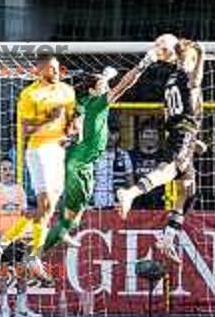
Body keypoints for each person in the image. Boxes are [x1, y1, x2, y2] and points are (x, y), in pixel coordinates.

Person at [42, 60, 154, 253]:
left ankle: (55, 237)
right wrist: (143, 65)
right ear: (94, 91)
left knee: (73, 216)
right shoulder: (98, 104)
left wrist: (105, 76)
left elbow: (94, 91)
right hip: (81, 164)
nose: (105, 88)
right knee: (71, 216)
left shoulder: (81, 102)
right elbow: (124, 85)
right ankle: (36, 253)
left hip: (75, 160)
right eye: (101, 86)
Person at [116, 36, 205, 262]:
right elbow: (195, 81)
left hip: (181, 133)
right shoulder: (185, 74)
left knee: (189, 189)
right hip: (183, 132)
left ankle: (169, 235)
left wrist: (194, 141)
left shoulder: (172, 77)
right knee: (169, 171)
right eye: (191, 59)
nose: (193, 62)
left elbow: (178, 110)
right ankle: (130, 193)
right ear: (186, 59)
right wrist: (201, 54)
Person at [0, 52, 75, 276]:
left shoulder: (67, 91)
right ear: (40, 70)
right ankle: (30, 253)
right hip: (39, 151)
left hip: (58, 151)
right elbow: (25, 129)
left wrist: (72, 133)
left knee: (47, 210)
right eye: (51, 68)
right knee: (45, 205)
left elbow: (71, 122)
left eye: (57, 68)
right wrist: (49, 119)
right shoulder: (30, 94)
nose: (55, 72)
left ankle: (9, 244)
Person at [0, 157, 41, 317]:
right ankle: (4, 308)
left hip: (17, 239)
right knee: (2, 273)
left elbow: (24, 215)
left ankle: (21, 309)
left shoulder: (20, 190)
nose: (8, 172)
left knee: (22, 273)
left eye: (10, 169)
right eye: (4, 169)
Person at [93, 125, 133, 208]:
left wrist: (126, 201)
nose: (109, 136)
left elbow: (130, 184)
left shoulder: (123, 156)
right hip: (93, 206)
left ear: (118, 135)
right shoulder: (91, 156)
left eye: (113, 133)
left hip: (116, 206)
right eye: (105, 132)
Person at [129, 121, 165, 210]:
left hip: (161, 204)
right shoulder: (130, 155)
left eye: (154, 134)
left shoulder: (165, 156)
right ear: (140, 136)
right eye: (147, 133)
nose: (151, 137)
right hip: (136, 204)